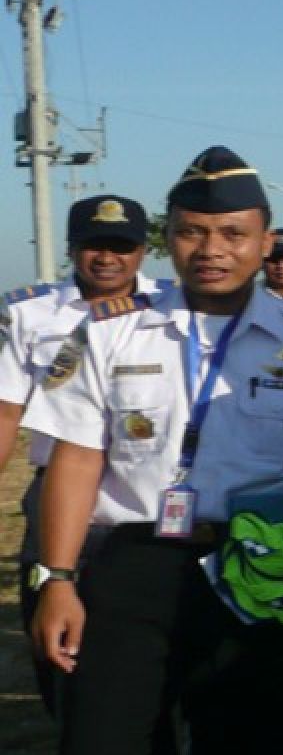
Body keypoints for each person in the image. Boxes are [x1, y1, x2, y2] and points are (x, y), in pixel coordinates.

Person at [23, 145, 283, 755]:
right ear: (168, 240)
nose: (212, 248)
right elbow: (78, 457)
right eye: (192, 232)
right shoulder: (109, 331)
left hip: (265, 570)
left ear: (264, 240)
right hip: (133, 568)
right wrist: (57, 576)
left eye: (233, 233)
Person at [0, 195, 173, 712]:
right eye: (95, 245)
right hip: (59, 487)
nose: (108, 258)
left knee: (154, 632)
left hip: (147, 490)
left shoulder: (175, 306)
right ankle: (72, 743)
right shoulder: (30, 314)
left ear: (144, 251)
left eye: (122, 246)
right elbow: (6, 412)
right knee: (53, 621)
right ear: (73, 249)